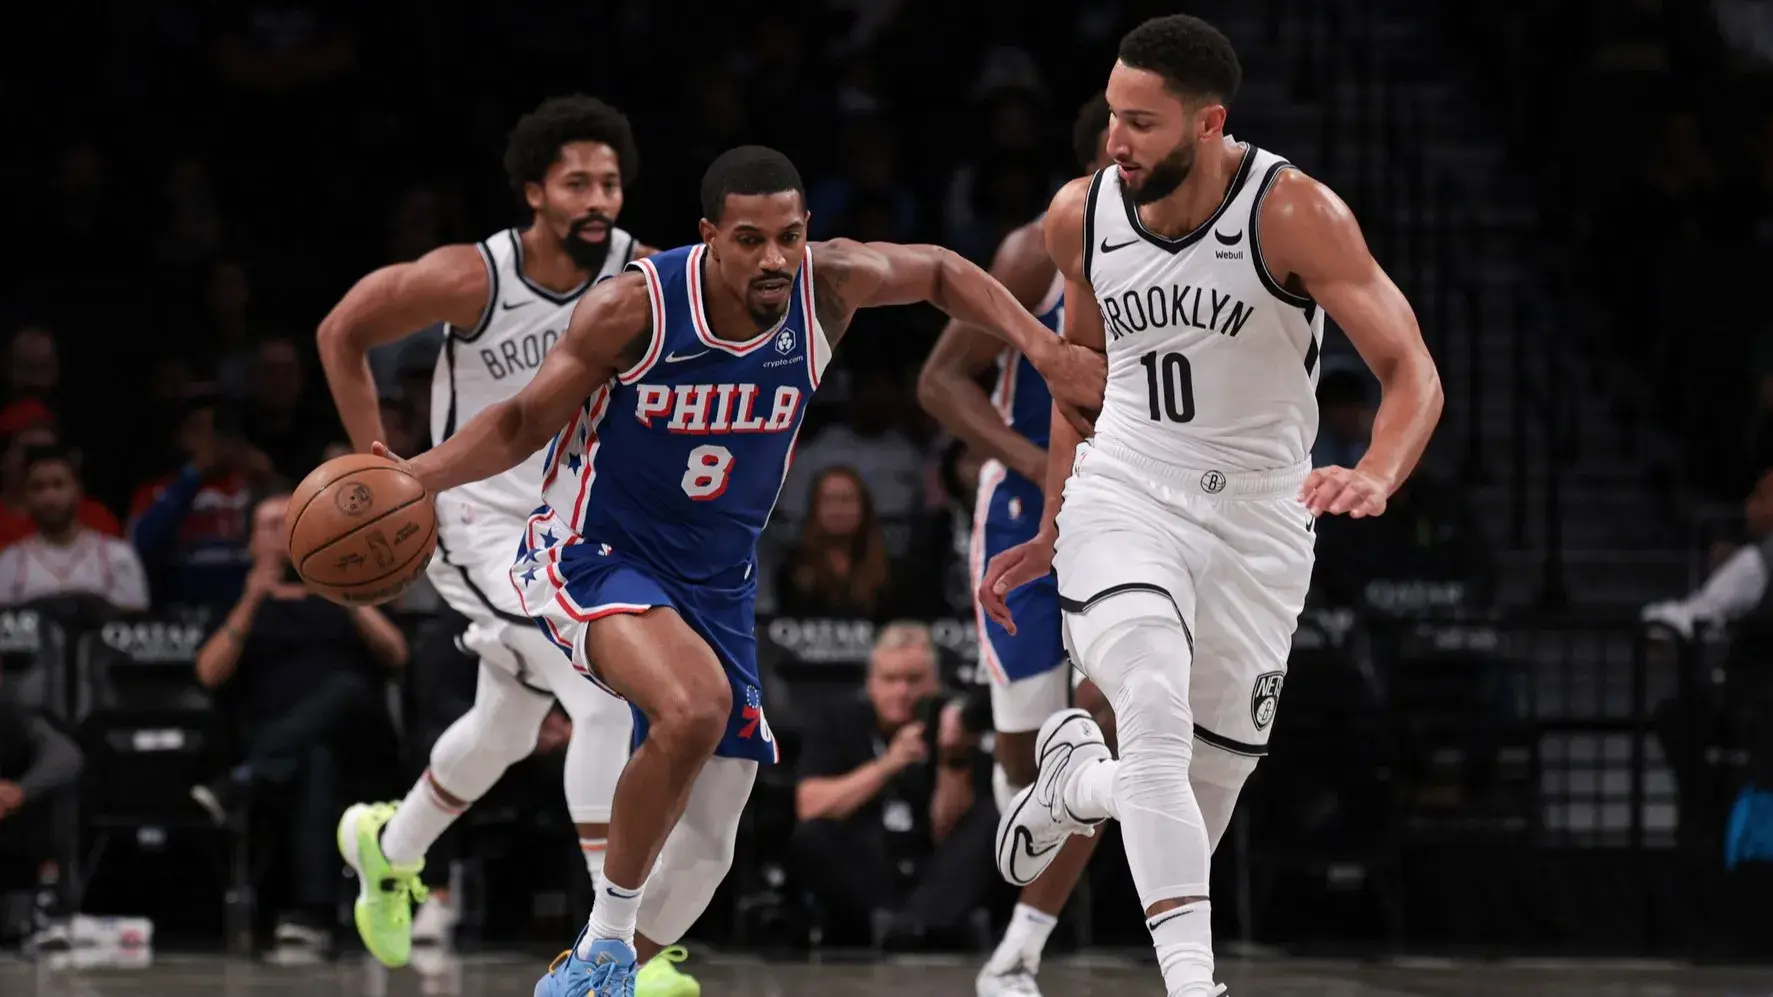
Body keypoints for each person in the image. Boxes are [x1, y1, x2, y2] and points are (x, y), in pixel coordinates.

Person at [379, 144, 1103, 997]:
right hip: (595, 551)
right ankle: (606, 939)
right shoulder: (634, 309)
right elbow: (522, 420)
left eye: (788, 237)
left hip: (716, 583)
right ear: (708, 238)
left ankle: (592, 974)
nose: (772, 258)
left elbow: (943, 271)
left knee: (714, 841)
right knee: (692, 706)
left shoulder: (824, 284)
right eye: (750, 239)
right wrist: (418, 476)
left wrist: (1044, 348)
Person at [982, 16, 1442, 997]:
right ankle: (1197, 986)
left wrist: (1378, 469)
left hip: (1261, 526)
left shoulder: (1294, 213)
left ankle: (1076, 783)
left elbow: (1412, 370)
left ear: (1208, 124)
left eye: (1141, 123)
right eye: (1112, 117)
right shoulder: (1082, 214)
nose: (1116, 141)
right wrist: (1057, 523)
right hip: (1131, 492)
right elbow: (1079, 381)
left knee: (1196, 785)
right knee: (1148, 705)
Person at [317, 95, 664, 977]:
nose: (598, 199)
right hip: (475, 523)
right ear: (534, 193)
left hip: (578, 526)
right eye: (577, 182)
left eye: (611, 183)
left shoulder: (646, 275)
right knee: (600, 694)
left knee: (506, 725)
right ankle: (616, 944)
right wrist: (381, 473)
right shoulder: (476, 277)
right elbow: (341, 330)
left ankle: (387, 845)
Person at [917, 91, 1113, 997]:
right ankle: (1013, 852)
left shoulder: (1187, 256)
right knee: (1027, 749)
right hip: (1023, 509)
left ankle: (1018, 953)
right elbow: (940, 381)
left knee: (1100, 729)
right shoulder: (1036, 248)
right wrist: (1038, 463)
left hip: (1127, 511)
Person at [190, 491, 408, 959]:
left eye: (290, 523)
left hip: (363, 740)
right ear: (250, 542)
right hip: (282, 745)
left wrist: (338, 589)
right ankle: (310, 918)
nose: (280, 536)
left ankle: (242, 784)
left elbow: (397, 655)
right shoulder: (239, 601)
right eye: (268, 527)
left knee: (346, 689)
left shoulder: (349, 586)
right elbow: (208, 674)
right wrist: (252, 599)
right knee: (314, 757)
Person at [792, 622, 994, 947]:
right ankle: (915, 926)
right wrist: (889, 764)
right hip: (870, 865)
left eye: (914, 680)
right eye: (890, 679)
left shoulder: (952, 721)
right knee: (812, 836)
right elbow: (810, 806)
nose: (901, 692)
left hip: (932, 866)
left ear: (934, 683)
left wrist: (952, 758)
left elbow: (948, 830)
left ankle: (915, 924)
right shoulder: (839, 720)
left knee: (992, 820)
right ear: (871, 683)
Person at [0, 445, 149, 611]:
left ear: (78, 490)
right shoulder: (11, 561)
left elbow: (132, 623)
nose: (49, 497)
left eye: (58, 485)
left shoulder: (117, 555)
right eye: (38, 487)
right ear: (26, 496)